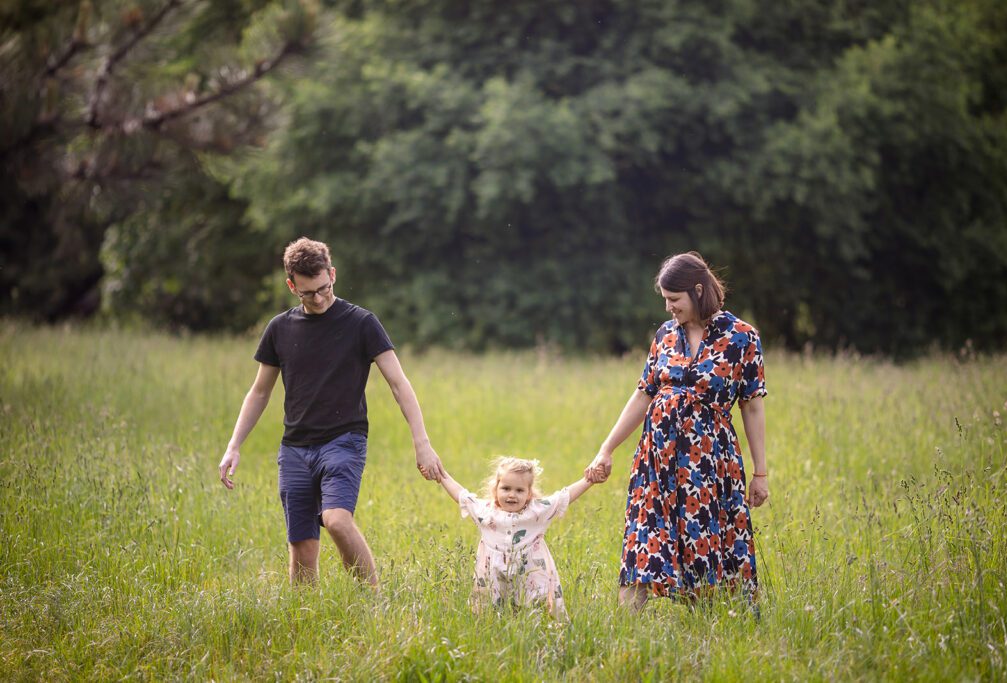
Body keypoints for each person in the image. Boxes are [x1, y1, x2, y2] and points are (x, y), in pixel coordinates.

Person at [218, 237, 443, 586]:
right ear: (292, 285)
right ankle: (305, 621)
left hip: (344, 440)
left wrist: (422, 442)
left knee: (336, 519)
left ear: (333, 274)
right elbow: (259, 391)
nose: (320, 298)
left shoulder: (362, 323)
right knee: (302, 550)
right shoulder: (280, 328)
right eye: (308, 293)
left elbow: (399, 384)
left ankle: (374, 600)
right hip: (294, 448)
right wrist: (234, 445)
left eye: (324, 288)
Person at [585, 252, 768, 611]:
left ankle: (709, 625)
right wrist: (606, 448)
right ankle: (623, 630)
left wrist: (760, 472)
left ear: (697, 291)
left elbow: (753, 405)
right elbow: (643, 393)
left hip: (708, 463)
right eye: (665, 300)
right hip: (656, 460)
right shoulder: (666, 335)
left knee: (703, 543)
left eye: (674, 300)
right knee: (644, 537)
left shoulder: (742, 338)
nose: (669, 308)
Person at [436, 456, 597, 618]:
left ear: (529, 494)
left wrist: (589, 480)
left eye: (519, 490)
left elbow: (564, 497)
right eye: (506, 488)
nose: (512, 495)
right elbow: (462, 496)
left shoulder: (536, 512)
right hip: (494, 577)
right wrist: (441, 475)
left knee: (532, 614)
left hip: (529, 577)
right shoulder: (486, 511)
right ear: (496, 489)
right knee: (492, 614)